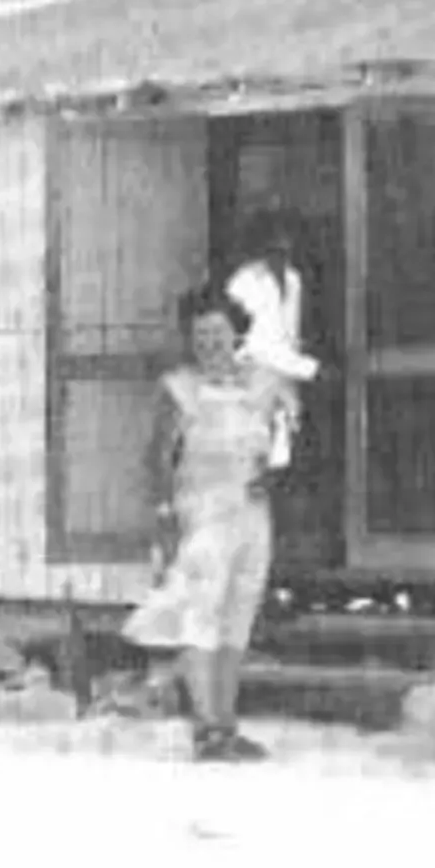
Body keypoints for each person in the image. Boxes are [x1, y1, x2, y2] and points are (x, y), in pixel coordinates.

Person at [122, 285, 293, 762]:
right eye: (200, 335)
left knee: (237, 616)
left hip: (252, 514)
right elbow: (156, 457)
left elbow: (283, 447)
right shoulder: (179, 389)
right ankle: (205, 728)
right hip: (202, 512)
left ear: (236, 332)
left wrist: (274, 477)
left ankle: (227, 720)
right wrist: (163, 515)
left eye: (218, 332)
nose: (211, 343)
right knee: (202, 614)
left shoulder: (262, 386)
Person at [224, 211, 319, 468]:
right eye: (277, 240)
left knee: (283, 458)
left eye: (287, 240)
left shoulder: (293, 279)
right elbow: (253, 344)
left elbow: (289, 337)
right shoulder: (242, 282)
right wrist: (306, 368)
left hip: (284, 379)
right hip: (253, 378)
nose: (284, 245)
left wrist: (293, 379)